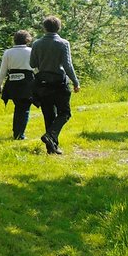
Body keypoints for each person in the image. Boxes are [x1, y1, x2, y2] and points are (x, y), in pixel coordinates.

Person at [30, 16, 81, 154]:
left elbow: (32, 64)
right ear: (59, 28)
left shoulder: (36, 44)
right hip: (59, 82)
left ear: (44, 28)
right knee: (64, 113)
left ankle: (51, 147)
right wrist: (76, 82)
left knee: (48, 114)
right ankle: (51, 137)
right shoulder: (63, 43)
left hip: (42, 82)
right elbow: (67, 65)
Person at [0, 30, 36, 140]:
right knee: (24, 108)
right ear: (27, 39)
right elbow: (36, 69)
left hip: (12, 83)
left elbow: (3, 71)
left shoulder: (8, 52)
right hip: (27, 82)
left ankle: (17, 132)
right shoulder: (31, 51)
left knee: (18, 107)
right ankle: (19, 134)